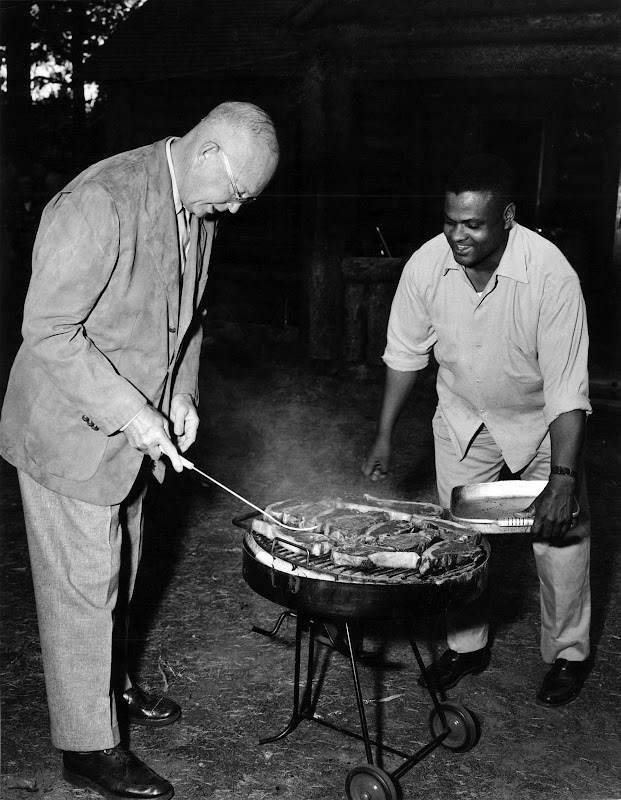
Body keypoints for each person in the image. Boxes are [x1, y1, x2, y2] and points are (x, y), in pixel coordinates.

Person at [0, 102, 279, 800]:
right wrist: (133, 412)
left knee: (121, 568)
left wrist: (180, 394)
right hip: (69, 429)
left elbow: (189, 319)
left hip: (133, 436)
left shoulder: (199, 212)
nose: (238, 209)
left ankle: (109, 685)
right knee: (83, 586)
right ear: (208, 152)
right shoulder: (99, 202)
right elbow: (50, 331)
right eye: (239, 191)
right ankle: (87, 745)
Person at [362, 153, 591, 708]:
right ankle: (466, 647)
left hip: (541, 427)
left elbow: (567, 389)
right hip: (464, 418)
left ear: (507, 216)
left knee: (560, 540)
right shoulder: (425, 265)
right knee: (459, 541)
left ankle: (568, 654)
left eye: (473, 224)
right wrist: (385, 434)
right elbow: (404, 355)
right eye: (449, 221)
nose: (457, 236)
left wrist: (562, 477)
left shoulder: (552, 274)